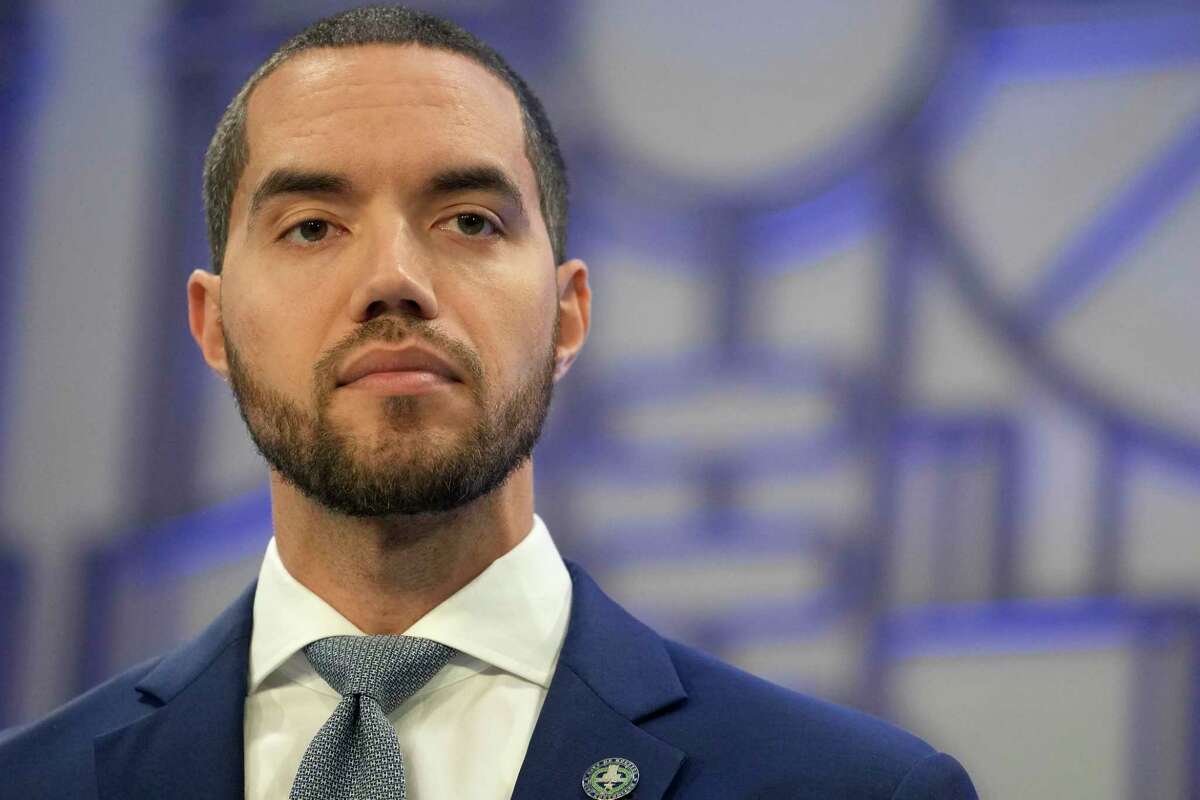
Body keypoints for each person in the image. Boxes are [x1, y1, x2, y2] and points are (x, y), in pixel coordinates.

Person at [0, 6, 977, 799]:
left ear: (567, 314)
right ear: (213, 325)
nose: (393, 278)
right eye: (311, 226)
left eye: (468, 219)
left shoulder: (850, 787)